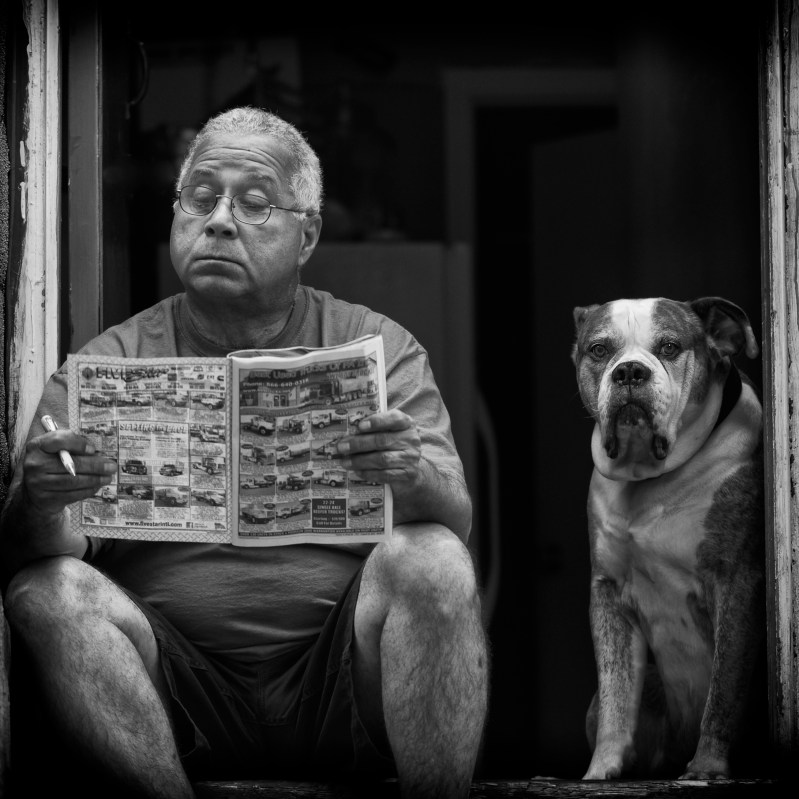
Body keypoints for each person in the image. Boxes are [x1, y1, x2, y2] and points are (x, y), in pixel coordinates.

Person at [0, 107, 488, 798]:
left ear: (307, 232)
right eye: (201, 198)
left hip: (344, 680)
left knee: (433, 557)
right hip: (173, 689)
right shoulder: (105, 363)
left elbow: (455, 520)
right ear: (177, 214)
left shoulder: (378, 345)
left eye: (254, 203)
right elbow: (24, 547)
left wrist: (407, 472)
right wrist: (42, 498)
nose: (220, 219)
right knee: (44, 589)